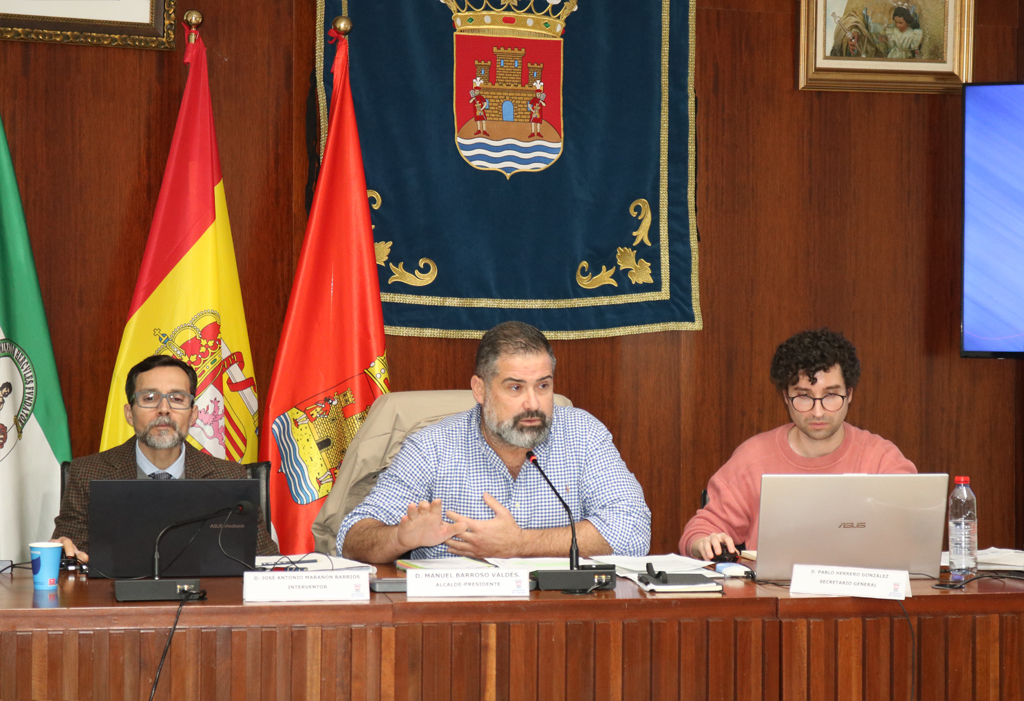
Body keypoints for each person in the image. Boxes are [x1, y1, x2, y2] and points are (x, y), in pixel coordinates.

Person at [338, 321, 651, 563]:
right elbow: (352, 539)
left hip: (560, 612)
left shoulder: (582, 434)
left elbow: (634, 530)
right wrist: (400, 538)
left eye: (543, 386)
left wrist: (520, 543)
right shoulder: (431, 447)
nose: (533, 403)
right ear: (480, 389)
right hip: (458, 616)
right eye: (515, 388)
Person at [680, 329, 916, 560]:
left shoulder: (882, 461)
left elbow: (916, 533)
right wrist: (705, 543)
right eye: (804, 396)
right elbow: (700, 531)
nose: (818, 412)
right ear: (786, 396)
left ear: (850, 393)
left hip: (863, 585)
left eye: (830, 395)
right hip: (775, 587)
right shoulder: (753, 458)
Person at [51, 355, 278, 562]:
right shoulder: (88, 474)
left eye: (177, 398)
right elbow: (68, 553)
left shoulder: (229, 477)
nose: (164, 409)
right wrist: (62, 553)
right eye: (150, 398)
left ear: (193, 415)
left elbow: (267, 562)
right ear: (129, 414)